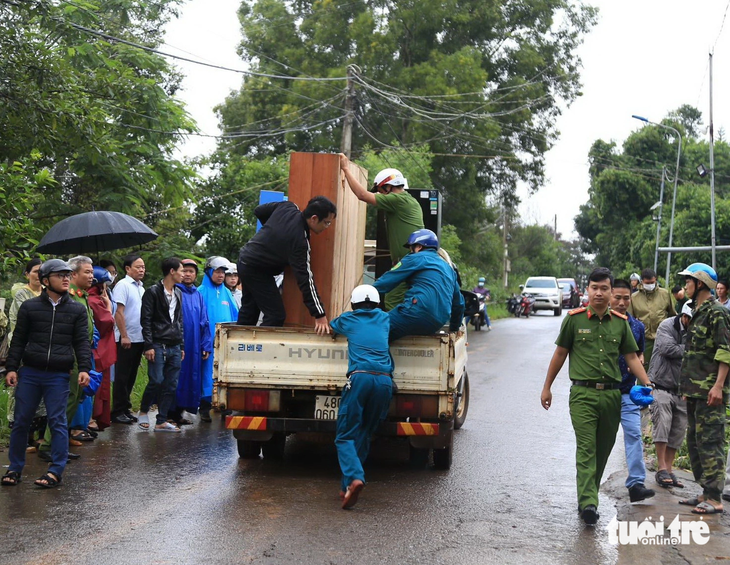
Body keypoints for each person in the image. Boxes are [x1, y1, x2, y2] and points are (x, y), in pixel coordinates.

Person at [540, 267, 650, 526]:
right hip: (583, 395)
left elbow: (632, 357)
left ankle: (588, 493)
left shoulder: (621, 324)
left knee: (603, 450)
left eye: (604, 289)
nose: (599, 293)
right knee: (587, 448)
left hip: (612, 396)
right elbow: (559, 354)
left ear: (612, 292)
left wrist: (647, 382)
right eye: (594, 288)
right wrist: (547, 387)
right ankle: (589, 502)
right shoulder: (574, 320)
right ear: (587, 289)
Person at [1, 259, 91, 489]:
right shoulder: (30, 307)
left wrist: (84, 369)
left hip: (59, 374)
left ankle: (55, 470)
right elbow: (18, 340)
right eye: (59, 275)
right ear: (45, 280)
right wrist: (11, 368)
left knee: (57, 421)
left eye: (67, 275)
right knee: (21, 421)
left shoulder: (77, 309)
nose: (65, 278)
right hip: (30, 372)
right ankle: (15, 467)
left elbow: (81, 342)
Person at [330, 285, 393, 509]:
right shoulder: (385, 319)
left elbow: (332, 325)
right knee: (364, 433)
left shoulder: (349, 320)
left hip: (361, 379)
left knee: (345, 435)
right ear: (377, 303)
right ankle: (347, 486)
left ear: (354, 305)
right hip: (385, 381)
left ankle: (355, 477)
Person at [237, 197, 336, 334]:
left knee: (249, 312)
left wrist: (271, 232)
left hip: (245, 259)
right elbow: (305, 280)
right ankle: (259, 352)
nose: (327, 227)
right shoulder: (299, 242)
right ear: (313, 218)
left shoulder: (288, 207)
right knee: (275, 316)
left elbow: (259, 210)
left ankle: (239, 350)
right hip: (256, 269)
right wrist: (319, 314)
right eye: (326, 222)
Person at [676, 262, 729, 515]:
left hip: (711, 392)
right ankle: (706, 492)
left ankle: (715, 498)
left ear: (700, 284)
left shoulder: (717, 312)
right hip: (695, 392)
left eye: (688, 281)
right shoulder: (696, 311)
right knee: (695, 442)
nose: (684, 285)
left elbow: (725, 351)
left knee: (711, 442)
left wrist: (718, 386)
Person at [338, 156, 424, 311]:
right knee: (402, 299)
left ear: (388, 186)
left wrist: (345, 169)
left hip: (408, 262)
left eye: (380, 191)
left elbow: (362, 196)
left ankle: (392, 334)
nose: (380, 194)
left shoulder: (398, 200)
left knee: (391, 299)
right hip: (410, 261)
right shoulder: (409, 200)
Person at [38, 256, 96, 457]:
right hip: (68, 356)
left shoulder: (82, 295)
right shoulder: (69, 297)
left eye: (92, 272)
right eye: (87, 272)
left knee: (75, 399)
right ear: (74, 274)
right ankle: (49, 446)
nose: (91, 276)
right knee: (66, 401)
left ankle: (58, 444)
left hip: (81, 354)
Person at [373, 229, 464, 341]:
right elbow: (459, 304)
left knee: (373, 330)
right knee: (385, 337)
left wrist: (363, 296)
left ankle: (380, 358)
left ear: (419, 247)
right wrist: (454, 328)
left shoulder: (415, 258)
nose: (410, 251)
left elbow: (386, 282)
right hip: (437, 322)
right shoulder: (448, 269)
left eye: (411, 248)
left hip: (416, 312)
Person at [610, 279, 655, 502]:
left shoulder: (636, 326)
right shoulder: (602, 323)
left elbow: (640, 355)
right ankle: (588, 490)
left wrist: (641, 374)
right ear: (609, 296)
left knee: (635, 435)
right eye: (617, 297)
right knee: (602, 441)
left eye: (625, 298)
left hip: (628, 392)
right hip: (605, 393)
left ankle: (636, 484)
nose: (621, 302)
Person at [137, 258, 185, 432]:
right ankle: (143, 411)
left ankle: (161, 420)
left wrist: (181, 346)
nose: (184, 274)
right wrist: (148, 345)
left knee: (171, 384)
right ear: (172, 271)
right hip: (157, 344)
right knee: (156, 380)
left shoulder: (178, 293)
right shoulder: (153, 292)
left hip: (174, 344)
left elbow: (180, 320)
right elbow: (146, 320)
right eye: (181, 271)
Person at [649, 301, 691, 489]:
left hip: (683, 388)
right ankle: (661, 468)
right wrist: (694, 351)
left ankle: (669, 469)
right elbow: (668, 349)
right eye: (689, 318)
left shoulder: (699, 330)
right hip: (660, 384)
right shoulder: (666, 326)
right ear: (683, 316)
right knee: (663, 424)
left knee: (678, 430)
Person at [6, 258, 45, 448]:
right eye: (35, 271)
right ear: (27, 274)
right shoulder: (22, 295)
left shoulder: (48, 293)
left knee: (44, 395)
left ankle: (41, 435)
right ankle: (25, 436)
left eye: (42, 271)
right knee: (24, 393)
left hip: (44, 351)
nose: (38, 275)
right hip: (24, 351)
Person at [168, 258, 212, 425]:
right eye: (184, 271)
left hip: (194, 344)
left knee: (191, 377)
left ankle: (180, 413)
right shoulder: (174, 292)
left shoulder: (197, 295)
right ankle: (169, 413)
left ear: (195, 274)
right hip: (177, 342)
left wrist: (205, 344)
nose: (187, 274)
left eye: (191, 271)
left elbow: (204, 321)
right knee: (175, 377)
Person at [198, 256, 238, 422]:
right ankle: (205, 407)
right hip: (208, 342)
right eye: (217, 271)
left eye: (223, 272)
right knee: (207, 374)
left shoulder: (227, 293)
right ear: (209, 272)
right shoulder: (200, 291)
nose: (221, 275)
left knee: (224, 374)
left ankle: (224, 407)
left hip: (225, 343)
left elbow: (236, 315)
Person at [111, 254, 146, 424]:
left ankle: (125, 408)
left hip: (139, 338)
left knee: (131, 375)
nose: (141, 270)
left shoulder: (141, 287)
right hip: (126, 338)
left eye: (143, 267)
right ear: (127, 269)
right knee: (122, 375)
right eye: (138, 267)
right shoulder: (122, 285)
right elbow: (119, 312)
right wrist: (124, 335)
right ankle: (117, 410)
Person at [628, 267, 676, 371]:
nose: (650, 285)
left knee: (663, 371)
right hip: (644, 340)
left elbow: (672, 315)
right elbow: (630, 320)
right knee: (643, 370)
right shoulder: (634, 297)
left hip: (663, 338)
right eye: (647, 283)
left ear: (656, 280)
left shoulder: (665, 294)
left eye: (652, 282)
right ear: (642, 282)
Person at [87, 266, 117, 432]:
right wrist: (108, 307)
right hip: (98, 350)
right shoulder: (93, 300)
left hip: (103, 349)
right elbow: (106, 322)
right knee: (96, 387)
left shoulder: (95, 298)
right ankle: (91, 419)